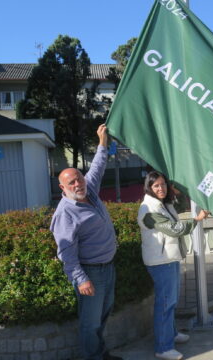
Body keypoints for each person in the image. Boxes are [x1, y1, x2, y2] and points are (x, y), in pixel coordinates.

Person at [50, 124, 123, 360]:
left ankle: (101, 354)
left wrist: (102, 142)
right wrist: (81, 280)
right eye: (71, 183)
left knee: (103, 316)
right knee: (90, 323)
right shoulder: (65, 213)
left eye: (78, 178)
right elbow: (66, 252)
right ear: (62, 187)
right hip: (91, 273)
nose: (77, 184)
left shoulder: (89, 190)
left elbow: (98, 167)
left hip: (107, 267)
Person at [137, 171, 209, 360]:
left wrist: (177, 192)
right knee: (165, 304)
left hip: (170, 258)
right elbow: (175, 229)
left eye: (163, 184)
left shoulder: (163, 204)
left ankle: (171, 334)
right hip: (161, 262)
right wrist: (197, 219)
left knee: (172, 301)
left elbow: (180, 206)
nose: (161, 188)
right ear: (149, 188)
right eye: (156, 186)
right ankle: (163, 347)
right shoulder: (149, 210)